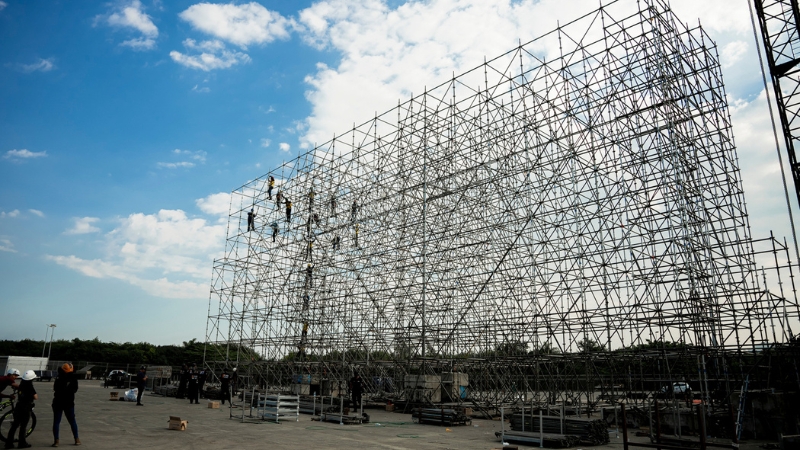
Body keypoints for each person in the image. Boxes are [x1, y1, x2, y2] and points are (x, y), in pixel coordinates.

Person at [5, 370, 37, 449]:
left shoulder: (21, 384)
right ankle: (22, 443)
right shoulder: (30, 386)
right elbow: (35, 397)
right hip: (26, 407)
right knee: (23, 426)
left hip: (18, 406)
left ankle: (9, 443)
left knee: (15, 425)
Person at [51, 363, 80, 447]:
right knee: (72, 421)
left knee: (56, 422)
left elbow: (55, 388)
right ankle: (76, 439)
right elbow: (75, 389)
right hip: (69, 403)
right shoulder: (73, 378)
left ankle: (56, 440)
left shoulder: (58, 377)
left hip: (57, 402)